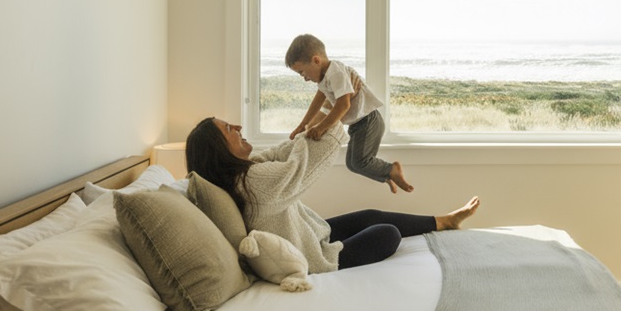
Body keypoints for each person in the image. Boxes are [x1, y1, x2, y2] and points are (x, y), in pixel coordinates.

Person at [185, 117, 479, 272]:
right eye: (228, 129)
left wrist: (315, 125)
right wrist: (335, 122)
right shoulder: (251, 181)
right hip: (312, 258)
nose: (237, 126)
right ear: (219, 149)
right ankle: (444, 222)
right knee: (386, 232)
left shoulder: (245, 173)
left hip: (308, 235)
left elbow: (280, 153)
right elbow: (301, 165)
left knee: (369, 215)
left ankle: (444, 221)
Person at [284, 33, 413, 194]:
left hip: (369, 121)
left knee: (359, 162)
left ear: (316, 60)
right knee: (352, 164)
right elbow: (318, 101)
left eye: (303, 72)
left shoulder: (336, 72)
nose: (305, 78)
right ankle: (387, 175)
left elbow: (343, 104)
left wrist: (321, 128)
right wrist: (302, 125)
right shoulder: (325, 77)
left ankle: (392, 169)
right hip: (358, 124)